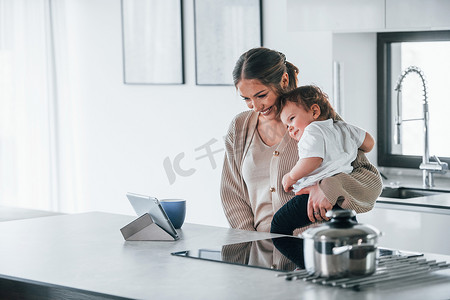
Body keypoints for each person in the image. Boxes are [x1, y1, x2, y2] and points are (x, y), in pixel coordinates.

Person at [220, 47, 382, 236]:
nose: (255, 106)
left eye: (261, 95)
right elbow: (232, 193)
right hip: (259, 254)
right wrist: (249, 243)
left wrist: (331, 186)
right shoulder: (240, 127)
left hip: (317, 253)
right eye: (246, 99)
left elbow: (371, 181)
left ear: (284, 80)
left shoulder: (319, 121)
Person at [270, 85, 375, 235]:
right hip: (341, 197)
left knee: (279, 226)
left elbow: (313, 160)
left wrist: (291, 176)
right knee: (345, 237)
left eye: (292, 119)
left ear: (314, 111)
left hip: (313, 196)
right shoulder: (342, 127)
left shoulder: (311, 131)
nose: (290, 129)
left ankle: (305, 259)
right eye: (287, 126)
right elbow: (369, 143)